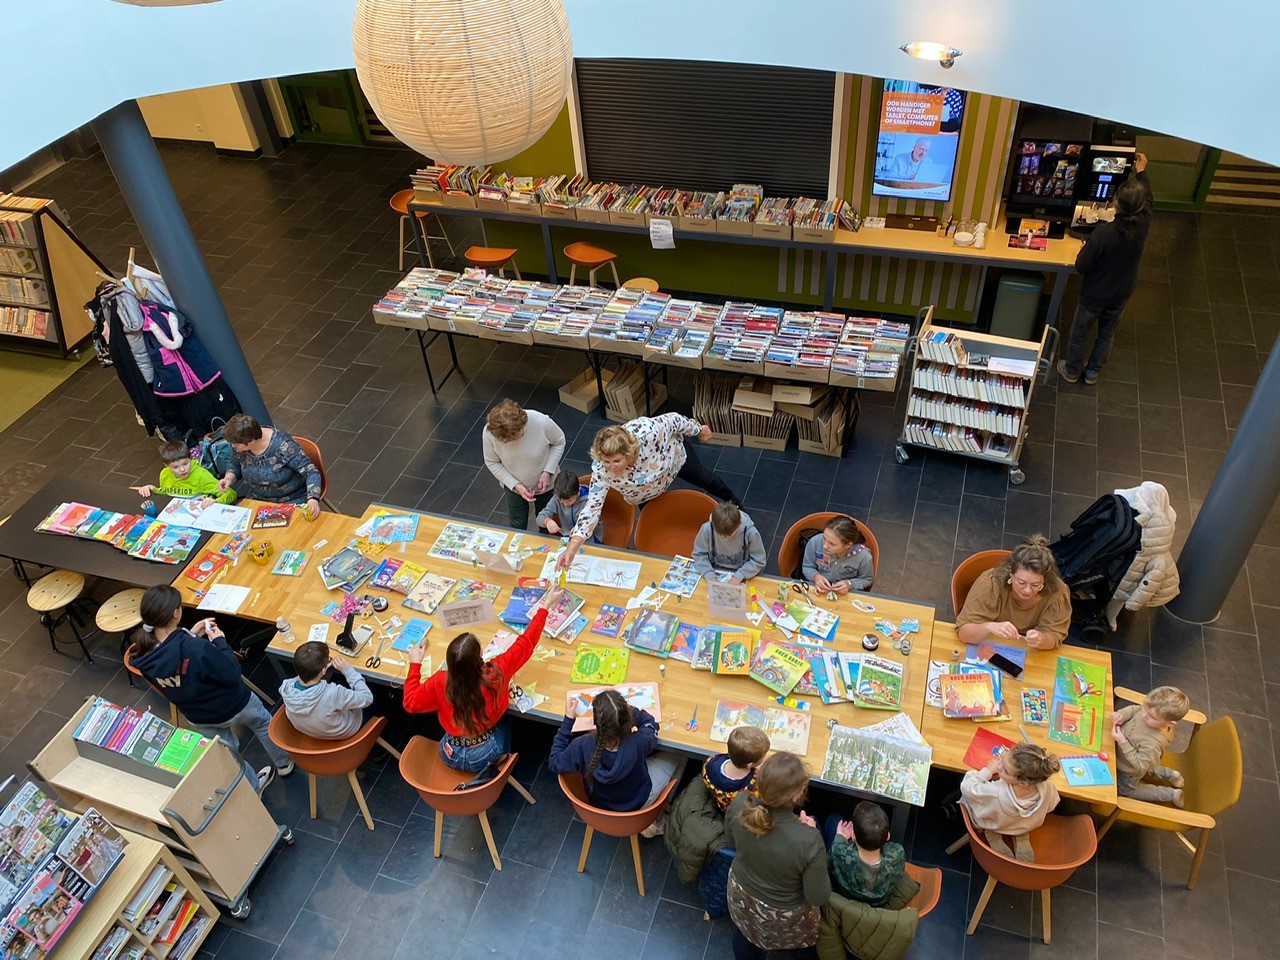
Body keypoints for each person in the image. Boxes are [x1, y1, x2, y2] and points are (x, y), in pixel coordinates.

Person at [130, 585, 293, 794]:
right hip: (235, 703)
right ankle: (284, 763)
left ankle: (253, 789)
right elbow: (232, 672)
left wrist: (189, 635)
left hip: (199, 716)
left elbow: (175, 662)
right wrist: (219, 641)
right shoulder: (197, 648)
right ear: (175, 613)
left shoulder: (144, 657)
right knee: (262, 723)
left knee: (227, 752)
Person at [402, 586, 563, 772]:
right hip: (484, 754)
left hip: (449, 752)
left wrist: (415, 665)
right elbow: (526, 642)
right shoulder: (496, 673)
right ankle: (493, 771)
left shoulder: (440, 681)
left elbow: (410, 703)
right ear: (479, 659)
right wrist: (546, 605)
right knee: (509, 723)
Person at [556, 414, 740, 571]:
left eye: (616, 461)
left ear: (628, 452)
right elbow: (592, 507)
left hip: (674, 461)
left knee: (708, 480)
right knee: (655, 519)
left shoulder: (649, 431)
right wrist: (573, 546)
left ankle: (737, 506)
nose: (611, 468)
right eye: (606, 461)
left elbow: (675, 420)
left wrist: (698, 430)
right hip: (644, 494)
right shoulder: (602, 470)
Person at [1058, 152, 1152, 385]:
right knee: (1106, 334)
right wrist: (1142, 172)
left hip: (1095, 294)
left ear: (1116, 204)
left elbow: (1081, 266)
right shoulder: (1144, 223)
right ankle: (1092, 372)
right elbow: (1149, 198)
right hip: (1121, 292)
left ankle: (1071, 370)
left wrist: (1084, 247)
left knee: (1079, 334)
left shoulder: (1103, 234)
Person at [725, 752, 830, 960]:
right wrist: (811, 832)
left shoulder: (740, 804)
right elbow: (817, 896)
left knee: (746, 939)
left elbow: (731, 841)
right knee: (804, 950)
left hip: (741, 898)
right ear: (795, 796)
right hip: (784, 917)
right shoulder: (809, 839)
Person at [548, 689, 685, 830]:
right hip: (639, 804)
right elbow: (651, 724)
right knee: (681, 754)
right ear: (626, 721)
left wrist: (568, 721)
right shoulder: (639, 742)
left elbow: (554, 761)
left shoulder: (582, 745)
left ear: (596, 722)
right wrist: (629, 712)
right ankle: (658, 819)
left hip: (602, 809)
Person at [956, 534, 1072, 649]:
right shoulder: (991, 584)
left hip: (1026, 648)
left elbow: (1054, 636)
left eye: (1035, 585)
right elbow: (964, 633)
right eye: (1021, 582)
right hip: (987, 639)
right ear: (1011, 575)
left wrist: (1040, 639)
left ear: (1045, 582)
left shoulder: (1057, 592)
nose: (1027, 590)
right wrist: (989, 627)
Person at [960, 743, 1060, 862]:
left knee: (972, 801)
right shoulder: (1048, 787)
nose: (999, 767)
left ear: (1023, 782)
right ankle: (1020, 832)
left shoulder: (995, 792)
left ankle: (993, 831)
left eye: (1006, 771)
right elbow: (1052, 806)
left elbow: (968, 787)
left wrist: (987, 771)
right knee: (1018, 822)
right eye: (1002, 759)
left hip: (995, 822)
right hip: (1025, 824)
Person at [481, 399, 566, 530]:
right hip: (513, 489)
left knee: (548, 523)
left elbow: (559, 441)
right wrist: (515, 485)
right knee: (517, 525)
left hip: (547, 485)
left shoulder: (540, 421)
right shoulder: (489, 433)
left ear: (522, 425)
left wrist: (548, 471)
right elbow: (492, 462)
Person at [217, 413, 321, 517]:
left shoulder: (283, 446)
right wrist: (229, 478)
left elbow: (311, 471)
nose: (233, 446)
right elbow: (235, 465)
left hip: (292, 500)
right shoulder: (239, 447)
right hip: (257, 499)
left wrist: (313, 499)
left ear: (251, 441)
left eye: (235, 444)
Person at [1111, 685, 1190, 807]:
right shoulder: (1150, 712)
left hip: (1130, 771)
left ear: (1170, 723)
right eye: (1145, 708)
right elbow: (1135, 710)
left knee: (1124, 793)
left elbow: (1141, 766)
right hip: (1126, 755)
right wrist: (1122, 715)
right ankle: (1170, 774)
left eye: (1151, 717)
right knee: (1149, 763)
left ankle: (1171, 794)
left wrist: (1122, 741)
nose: (1144, 715)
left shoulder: (1153, 743)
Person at [279, 642, 375, 740]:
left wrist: (317, 667)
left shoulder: (286, 686)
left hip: (312, 730)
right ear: (323, 671)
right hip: (344, 731)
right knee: (376, 689)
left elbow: (302, 675)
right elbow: (367, 698)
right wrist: (348, 670)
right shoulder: (333, 693)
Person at [823, 801, 906, 907]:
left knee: (833, 819)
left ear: (853, 836)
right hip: (879, 904)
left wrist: (841, 837)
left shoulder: (838, 853)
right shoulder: (898, 854)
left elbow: (829, 863)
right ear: (888, 836)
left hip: (846, 898)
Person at [137, 439, 236, 503]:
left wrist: (215, 502)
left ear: (191, 458)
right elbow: (168, 493)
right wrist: (153, 489)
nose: (182, 469)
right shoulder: (164, 474)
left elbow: (230, 494)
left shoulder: (201, 476)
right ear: (167, 466)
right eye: (175, 467)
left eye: (185, 463)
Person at [692, 502, 766, 583]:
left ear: (740, 522)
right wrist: (709, 575)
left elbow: (759, 560)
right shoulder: (707, 529)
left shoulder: (751, 533)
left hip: (744, 573)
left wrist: (739, 576)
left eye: (731, 534)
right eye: (721, 535)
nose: (726, 539)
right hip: (713, 570)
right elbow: (699, 555)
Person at [702, 725, 770, 812]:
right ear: (749, 765)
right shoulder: (753, 784)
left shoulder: (710, 762)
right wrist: (760, 772)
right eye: (763, 757)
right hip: (738, 811)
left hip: (721, 804)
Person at [801, 515, 874, 593]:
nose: (825, 546)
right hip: (818, 588)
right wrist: (815, 577)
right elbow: (807, 566)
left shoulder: (864, 557)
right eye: (824, 538)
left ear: (848, 545)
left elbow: (867, 579)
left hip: (846, 593)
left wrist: (850, 584)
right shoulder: (815, 542)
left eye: (832, 544)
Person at [536, 468, 601, 543]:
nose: (565, 504)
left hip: (590, 539)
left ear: (577, 492)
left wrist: (580, 529)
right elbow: (540, 517)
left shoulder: (589, 500)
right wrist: (547, 521)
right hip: (568, 538)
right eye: (561, 500)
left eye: (569, 500)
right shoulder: (557, 498)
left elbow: (595, 521)